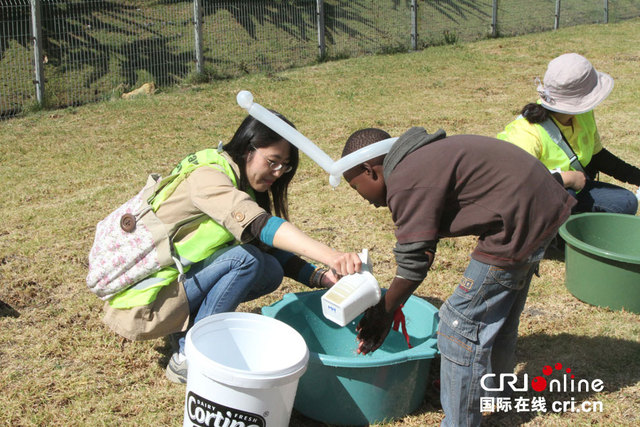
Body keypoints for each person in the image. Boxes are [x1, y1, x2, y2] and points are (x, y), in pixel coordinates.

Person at [340, 126, 576, 426]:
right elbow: (419, 246)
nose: (361, 197)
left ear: (369, 170)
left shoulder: (404, 178)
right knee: (497, 320)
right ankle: (498, 396)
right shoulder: (420, 161)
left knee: (457, 327)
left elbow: (415, 261)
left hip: (519, 221)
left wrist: (386, 310)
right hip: (538, 206)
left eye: (355, 187)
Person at [102, 113, 361, 384]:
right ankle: (189, 356)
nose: (278, 172)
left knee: (268, 268)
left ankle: (187, 329)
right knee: (246, 260)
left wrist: (320, 277)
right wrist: (332, 256)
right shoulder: (209, 176)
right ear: (248, 148)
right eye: (273, 162)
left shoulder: (240, 182)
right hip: (146, 300)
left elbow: (266, 246)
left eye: (284, 166)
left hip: (174, 285)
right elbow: (262, 226)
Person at [498, 52, 640, 215]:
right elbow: (516, 185)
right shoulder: (526, 134)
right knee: (565, 195)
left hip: (574, 189)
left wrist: (637, 177)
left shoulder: (582, 114)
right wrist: (568, 179)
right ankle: (557, 237)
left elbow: (598, 156)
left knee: (626, 202)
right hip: (534, 203)